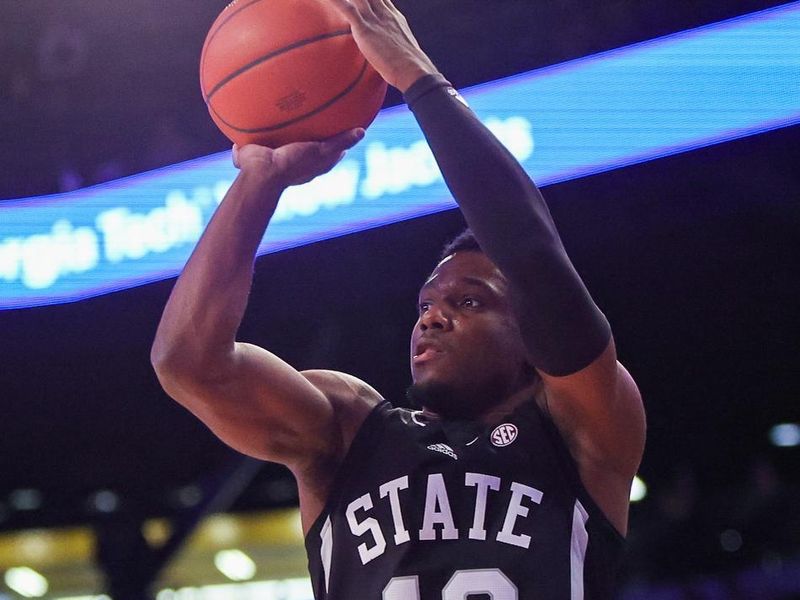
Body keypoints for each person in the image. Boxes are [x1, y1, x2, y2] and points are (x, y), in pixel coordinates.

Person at [151, 0, 646, 597]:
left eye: (469, 302)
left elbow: (532, 256)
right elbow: (187, 363)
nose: (433, 316)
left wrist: (417, 78)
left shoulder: (581, 428)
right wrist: (259, 181)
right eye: (426, 305)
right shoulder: (347, 429)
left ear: (530, 334)